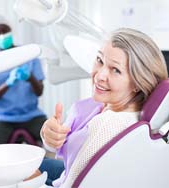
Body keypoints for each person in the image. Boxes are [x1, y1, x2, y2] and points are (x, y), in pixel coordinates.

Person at [38, 28, 168, 187]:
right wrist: (50, 136)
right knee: (37, 163)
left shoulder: (108, 124)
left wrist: (30, 180)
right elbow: (62, 145)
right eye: (100, 60)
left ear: (137, 83)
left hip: (67, 180)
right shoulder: (107, 105)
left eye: (116, 70)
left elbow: (73, 184)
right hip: (66, 170)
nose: (99, 76)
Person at [0, 15, 47, 146]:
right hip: (1, 119)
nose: (2, 35)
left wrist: (30, 77)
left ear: (11, 30)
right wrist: (8, 83)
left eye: (5, 30)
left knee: (58, 143)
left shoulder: (29, 55)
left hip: (32, 116)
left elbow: (39, 91)